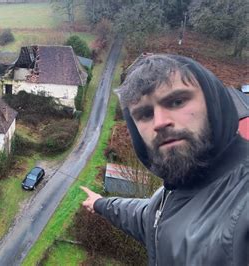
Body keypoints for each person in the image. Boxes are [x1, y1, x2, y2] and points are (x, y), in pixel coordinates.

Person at [80, 54, 248, 265]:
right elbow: (147, 218)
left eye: (177, 101)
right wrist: (99, 203)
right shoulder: (171, 194)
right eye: (145, 114)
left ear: (214, 103)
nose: (159, 122)